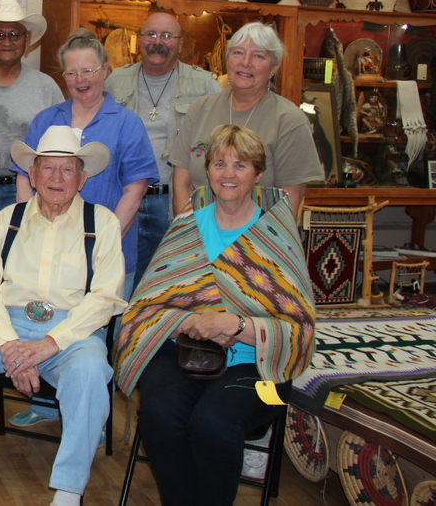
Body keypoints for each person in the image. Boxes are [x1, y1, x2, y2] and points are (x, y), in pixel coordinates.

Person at [0, 126, 126, 506]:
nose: (56, 178)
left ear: (82, 177)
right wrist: (9, 344)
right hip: (5, 325)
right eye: (47, 168)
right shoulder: (8, 219)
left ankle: (67, 494)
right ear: (32, 174)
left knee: (92, 372)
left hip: (70, 334)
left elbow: (105, 298)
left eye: (67, 169)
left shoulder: (103, 223)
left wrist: (48, 344)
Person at [116, 125, 316, 506]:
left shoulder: (276, 233)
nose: (228, 174)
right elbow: (145, 307)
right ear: (206, 171)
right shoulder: (186, 226)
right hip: (182, 352)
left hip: (258, 366)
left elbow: (300, 327)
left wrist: (235, 325)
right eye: (219, 163)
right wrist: (188, 320)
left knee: (214, 422)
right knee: (159, 413)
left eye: (241, 165)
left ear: (258, 174)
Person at [13, 28, 158, 294]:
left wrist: (102, 245)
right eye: (71, 72)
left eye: (88, 71)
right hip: (46, 254)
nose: (80, 79)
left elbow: (134, 191)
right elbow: (24, 175)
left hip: (107, 255)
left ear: (105, 71)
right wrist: (30, 230)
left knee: (96, 331)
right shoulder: (46, 119)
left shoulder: (127, 123)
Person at [105, 12, 220, 287]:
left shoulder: (205, 85)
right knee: (120, 278)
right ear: (139, 40)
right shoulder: (113, 82)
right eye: (151, 35)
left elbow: (220, 143)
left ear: (180, 44)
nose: (158, 42)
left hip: (175, 201)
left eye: (167, 36)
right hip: (123, 198)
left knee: (173, 282)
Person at [170, 22, 323, 218]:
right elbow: (181, 184)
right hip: (200, 236)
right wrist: (191, 236)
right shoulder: (200, 109)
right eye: (238, 53)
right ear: (228, 59)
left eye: (258, 56)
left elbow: (289, 202)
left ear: (274, 67)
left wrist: (247, 247)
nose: (245, 62)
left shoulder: (289, 120)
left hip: (259, 241)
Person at [0, 0, 64, 225]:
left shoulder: (46, 87)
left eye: (14, 35)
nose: (7, 41)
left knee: (18, 257)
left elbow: (62, 146)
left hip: (26, 192)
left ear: (27, 39)